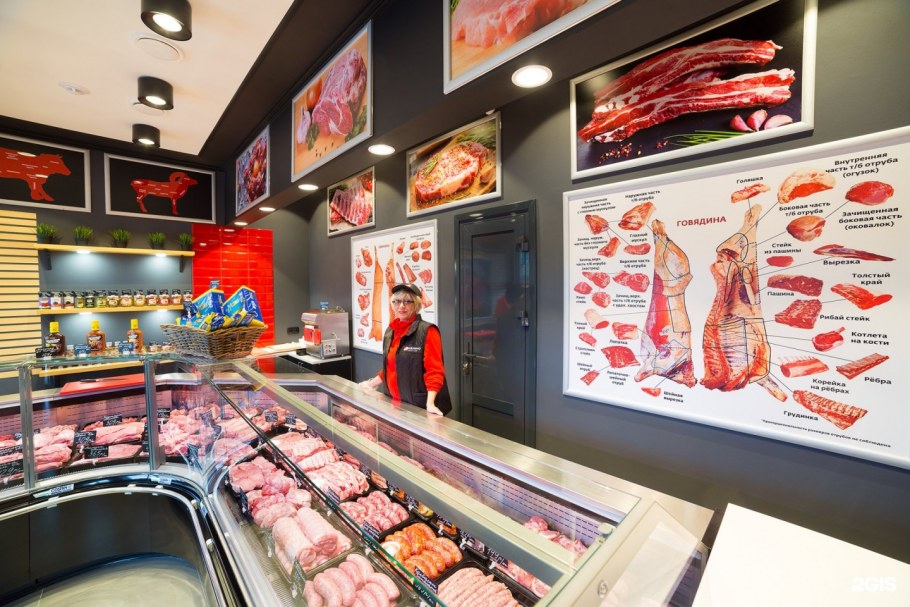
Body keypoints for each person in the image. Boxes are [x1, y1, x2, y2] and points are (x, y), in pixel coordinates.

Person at [359, 283, 452, 416]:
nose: (401, 306)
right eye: (397, 301)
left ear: (416, 305)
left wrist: (430, 404)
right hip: (394, 403)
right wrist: (370, 384)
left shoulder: (428, 331)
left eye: (407, 301)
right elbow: (391, 366)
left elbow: (434, 371)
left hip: (419, 407)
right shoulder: (390, 331)